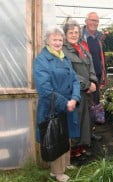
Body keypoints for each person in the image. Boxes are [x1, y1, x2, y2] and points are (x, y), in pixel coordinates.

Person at [33, 26, 80, 182]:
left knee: (65, 135)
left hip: (68, 104)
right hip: (52, 105)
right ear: (47, 41)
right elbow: (45, 90)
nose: (58, 42)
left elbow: (75, 80)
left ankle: (65, 164)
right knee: (56, 136)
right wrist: (65, 103)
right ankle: (57, 172)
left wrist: (74, 98)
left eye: (60, 39)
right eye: (55, 39)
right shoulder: (42, 60)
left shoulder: (63, 57)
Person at [62, 20, 98, 158]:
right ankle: (72, 150)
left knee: (84, 119)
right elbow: (68, 72)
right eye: (70, 32)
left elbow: (91, 66)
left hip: (86, 92)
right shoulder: (63, 50)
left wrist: (93, 81)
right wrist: (87, 85)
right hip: (73, 92)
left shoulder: (82, 48)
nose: (73, 35)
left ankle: (81, 146)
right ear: (65, 34)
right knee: (74, 119)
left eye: (76, 32)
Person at [82, 12, 105, 140]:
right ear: (86, 21)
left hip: (96, 76)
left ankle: (91, 132)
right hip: (86, 78)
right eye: (92, 20)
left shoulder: (97, 38)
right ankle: (85, 136)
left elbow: (99, 57)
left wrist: (102, 75)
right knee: (86, 106)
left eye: (96, 21)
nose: (94, 23)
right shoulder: (81, 38)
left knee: (94, 105)